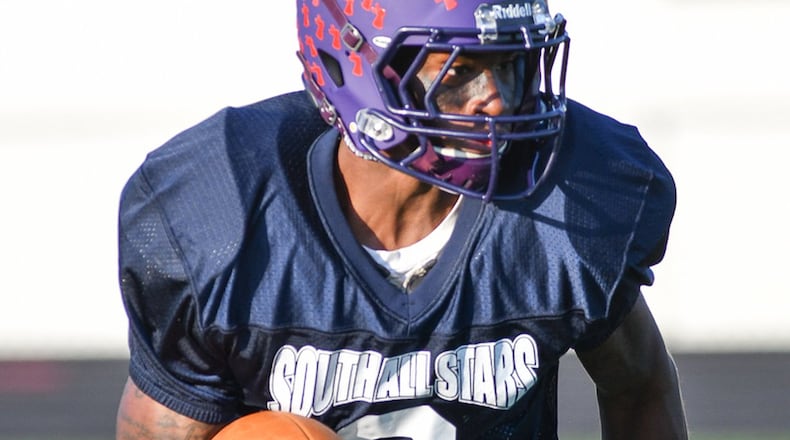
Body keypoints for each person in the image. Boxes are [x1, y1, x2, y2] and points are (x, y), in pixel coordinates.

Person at [115, 0, 688, 439]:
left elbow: (639, 386)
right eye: (459, 73)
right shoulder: (226, 218)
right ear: (352, 63)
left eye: (511, 65)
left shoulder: (569, 206)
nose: (497, 100)